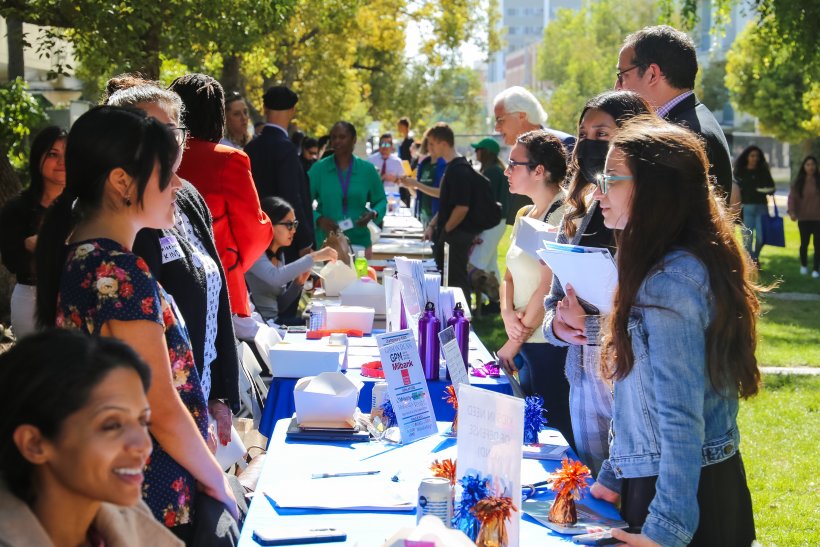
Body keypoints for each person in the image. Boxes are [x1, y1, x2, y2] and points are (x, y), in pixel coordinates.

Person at [34, 106, 237, 539]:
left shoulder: (85, 257)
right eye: (167, 174)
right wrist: (220, 483)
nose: (178, 185)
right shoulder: (119, 271)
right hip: (152, 498)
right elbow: (160, 406)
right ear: (123, 182)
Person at [589, 116, 758, 547]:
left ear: (654, 190)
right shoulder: (665, 264)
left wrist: (666, 529)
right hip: (674, 484)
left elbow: (680, 416)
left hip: (681, 497)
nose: (598, 192)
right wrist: (612, 474)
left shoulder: (672, 283)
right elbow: (638, 398)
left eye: (611, 179)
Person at [107, 78, 242, 445]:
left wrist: (220, 396)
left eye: (172, 130)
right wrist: (189, 418)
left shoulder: (187, 196)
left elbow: (216, 298)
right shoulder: (120, 212)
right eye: (152, 131)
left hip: (199, 401)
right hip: (156, 423)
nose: (166, 142)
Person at [542, 90, 652, 474]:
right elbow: (554, 301)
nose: (589, 143)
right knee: (593, 491)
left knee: (631, 492)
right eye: (583, 133)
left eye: (601, 134)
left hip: (631, 385)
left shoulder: (651, 224)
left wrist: (588, 326)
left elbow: (650, 320)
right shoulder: (578, 213)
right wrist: (557, 325)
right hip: (583, 379)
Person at [0, 329, 182, 546]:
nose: (144, 445)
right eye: (112, 425)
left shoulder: (132, 520)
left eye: (143, 421)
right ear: (34, 444)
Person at [170, 73, 273, 319]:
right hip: (222, 279)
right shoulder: (229, 159)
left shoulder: (158, 154)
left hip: (167, 276)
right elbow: (252, 229)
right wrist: (235, 263)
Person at [495, 130, 573, 448]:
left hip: (548, 347)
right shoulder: (525, 214)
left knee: (551, 439)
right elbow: (508, 276)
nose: (506, 170)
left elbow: (548, 285)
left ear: (539, 170)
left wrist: (515, 341)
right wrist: (506, 315)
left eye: (514, 163)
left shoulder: (566, 215)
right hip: (524, 341)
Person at [615, 25, 738, 209]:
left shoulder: (679, 137)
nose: (617, 87)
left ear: (652, 74)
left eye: (622, 75)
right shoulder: (691, 122)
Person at [405, 123, 484, 304]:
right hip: (450, 233)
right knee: (448, 279)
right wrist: (434, 225)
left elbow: (461, 207)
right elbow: (447, 204)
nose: (429, 148)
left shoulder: (459, 169)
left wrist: (445, 231)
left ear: (443, 143)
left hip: (456, 236)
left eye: (432, 143)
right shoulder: (451, 167)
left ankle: (463, 320)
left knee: (456, 280)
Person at [0, 126, 66, 339]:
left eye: (68, 155)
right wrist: (29, 244)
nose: (62, 162)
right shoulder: (16, 208)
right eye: (53, 154)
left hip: (80, 296)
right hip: (30, 299)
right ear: (38, 158)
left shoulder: (85, 206)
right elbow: (12, 260)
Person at [245, 85, 315, 264]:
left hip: (255, 235)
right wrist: (305, 239)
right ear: (292, 111)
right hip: (286, 239)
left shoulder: (251, 147)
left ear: (265, 109)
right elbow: (292, 196)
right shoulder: (286, 148)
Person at [246, 197, 338, 324]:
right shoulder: (254, 252)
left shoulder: (278, 255)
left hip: (274, 324)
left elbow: (279, 306)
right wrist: (314, 256)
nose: (294, 230)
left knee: (325, 321)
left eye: (295, 224)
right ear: (269, 224)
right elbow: (276, 277)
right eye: (289, 224)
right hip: (261, 329)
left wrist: (298, 283)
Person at [493, 86, 576, 225]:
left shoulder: (565, 144)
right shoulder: (516, 149)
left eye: (500, 120)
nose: (496, 127)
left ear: (521, 115)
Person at [309, 121, 386, 257]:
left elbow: (381, 200)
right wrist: (319, 219)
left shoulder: (367, 170)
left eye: (342, 137)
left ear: (354, 140)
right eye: (333, 137)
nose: (337, 141)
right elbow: (302, 202)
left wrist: (373, 214)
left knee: (361, 278)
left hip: (359, 242)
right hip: (327, 243)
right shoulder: (318, 169)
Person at [467, 137, 510, 284]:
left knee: (478, 261)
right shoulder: (495, 170)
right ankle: (495, 300)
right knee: (490, 262)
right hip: (498, 222)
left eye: (478, 149)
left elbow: (485, 203)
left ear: (486, 152)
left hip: (493, 222)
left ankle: (486, 298)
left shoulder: (492, 172)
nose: (475, 152)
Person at [735, 145, 776, 264]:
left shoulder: (763, 171)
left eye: (757, 156)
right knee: (747, 238)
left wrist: (764, 190)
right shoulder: (740, 172)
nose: (755, 158)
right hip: (746, 209)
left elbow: (772, 188)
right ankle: (750, 262)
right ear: (747, 157)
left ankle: (754, 257)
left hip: (761, 208)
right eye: (752, 156)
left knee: (761, 237)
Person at [788, 156, 820, 277]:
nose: (811, 167)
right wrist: (792, 212)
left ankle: (816, 269)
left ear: (816, 166)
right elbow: (792, 199)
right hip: (803, 219)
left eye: (813, 164)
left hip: (818, 219)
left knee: (818, 244)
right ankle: (804, 265)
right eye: (808, 164)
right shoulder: (798, 182)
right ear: (804, 167)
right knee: (804, 243)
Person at [408, 137, 446, 227]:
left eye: (435, 144)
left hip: (436, 217)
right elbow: (418, 194)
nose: (432, 147)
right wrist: (409, 185)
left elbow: (440, 193)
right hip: (422, 215)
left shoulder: (444, 165)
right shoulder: (424, 165)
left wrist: (416, 184)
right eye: (430, 144)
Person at [367, 132, 406, 199]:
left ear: (391, 147)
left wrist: (395, 179)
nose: (385, 147)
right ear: (379, 146)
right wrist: (379, 179)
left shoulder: (397, 162)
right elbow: (365, 179)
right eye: (382, 144)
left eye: (387, 144)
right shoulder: (371, 160)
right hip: (373, 196)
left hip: (391, 198)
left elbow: (404, 183)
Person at [396, 117, 414, 205]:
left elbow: (412, 157)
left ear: (404, 126)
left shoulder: (410, 141)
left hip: (407, 170)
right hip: (401, 169)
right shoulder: (402, 141)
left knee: (407, 193)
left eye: (400, 126)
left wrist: (409, 171)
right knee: (402, 192)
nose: (398, 128)